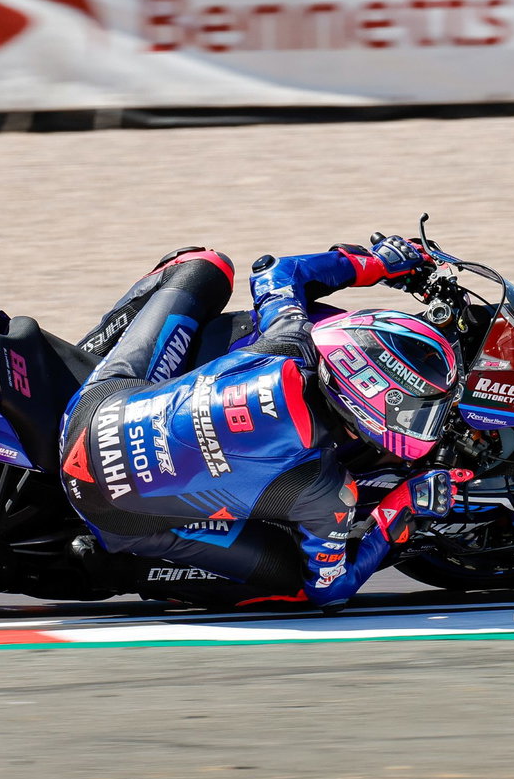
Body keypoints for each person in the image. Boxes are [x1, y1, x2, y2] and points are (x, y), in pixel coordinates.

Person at [59, 235, 461, 612]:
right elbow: (331, 591)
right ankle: (119, 569)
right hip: (111, 513)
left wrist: (376, 264)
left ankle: (76, 365)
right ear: (367, 405)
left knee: (203, 265)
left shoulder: (290, 340)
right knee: (297, 585)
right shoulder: (325, 491)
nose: (423, 421)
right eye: (416, 410)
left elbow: (274, 271)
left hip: (90, 413)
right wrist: (401, 507)